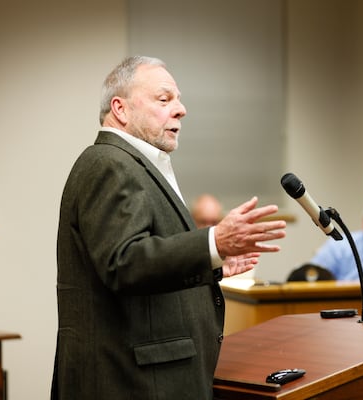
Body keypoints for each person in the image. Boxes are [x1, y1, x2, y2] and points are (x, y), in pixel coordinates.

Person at [51, 56, 286, 400]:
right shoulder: (109, 163)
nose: (181, 110)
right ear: (121, 109)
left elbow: (151, 261)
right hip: (131, 383)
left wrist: (212, 263)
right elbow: (124, 263)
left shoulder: (134, 165)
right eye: (164, 99)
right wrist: (213, 242)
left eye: (178, 99)